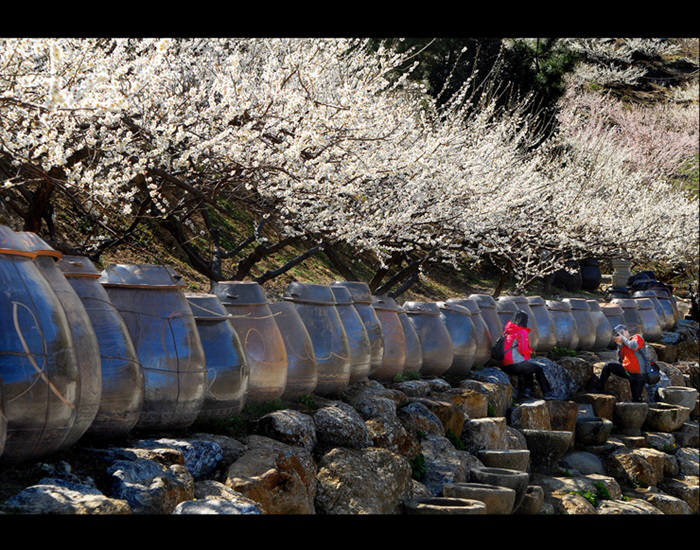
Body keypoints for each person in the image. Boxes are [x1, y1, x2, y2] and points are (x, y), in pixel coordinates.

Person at [500, 310, 554, 400]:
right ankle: (547, 392)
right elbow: (524, 350)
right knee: (538, 369)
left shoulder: (507, 330)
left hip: (504, 364)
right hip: (514, 365)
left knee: (528, 367)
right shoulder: (521, 332)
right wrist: (529, 354)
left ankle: (527, 392)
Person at [592, 324, 650, 402]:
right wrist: (619, 345)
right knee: (608, 366)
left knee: (636, 399)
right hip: (628, 372)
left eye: (621, 333)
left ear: (626, 332)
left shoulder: (637, 337)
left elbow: (634, 346)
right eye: (618, 335)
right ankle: (598, 388)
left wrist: (622, 338)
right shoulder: (624, 344)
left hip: (639, 374)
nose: (620, 336)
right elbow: (620, 359)